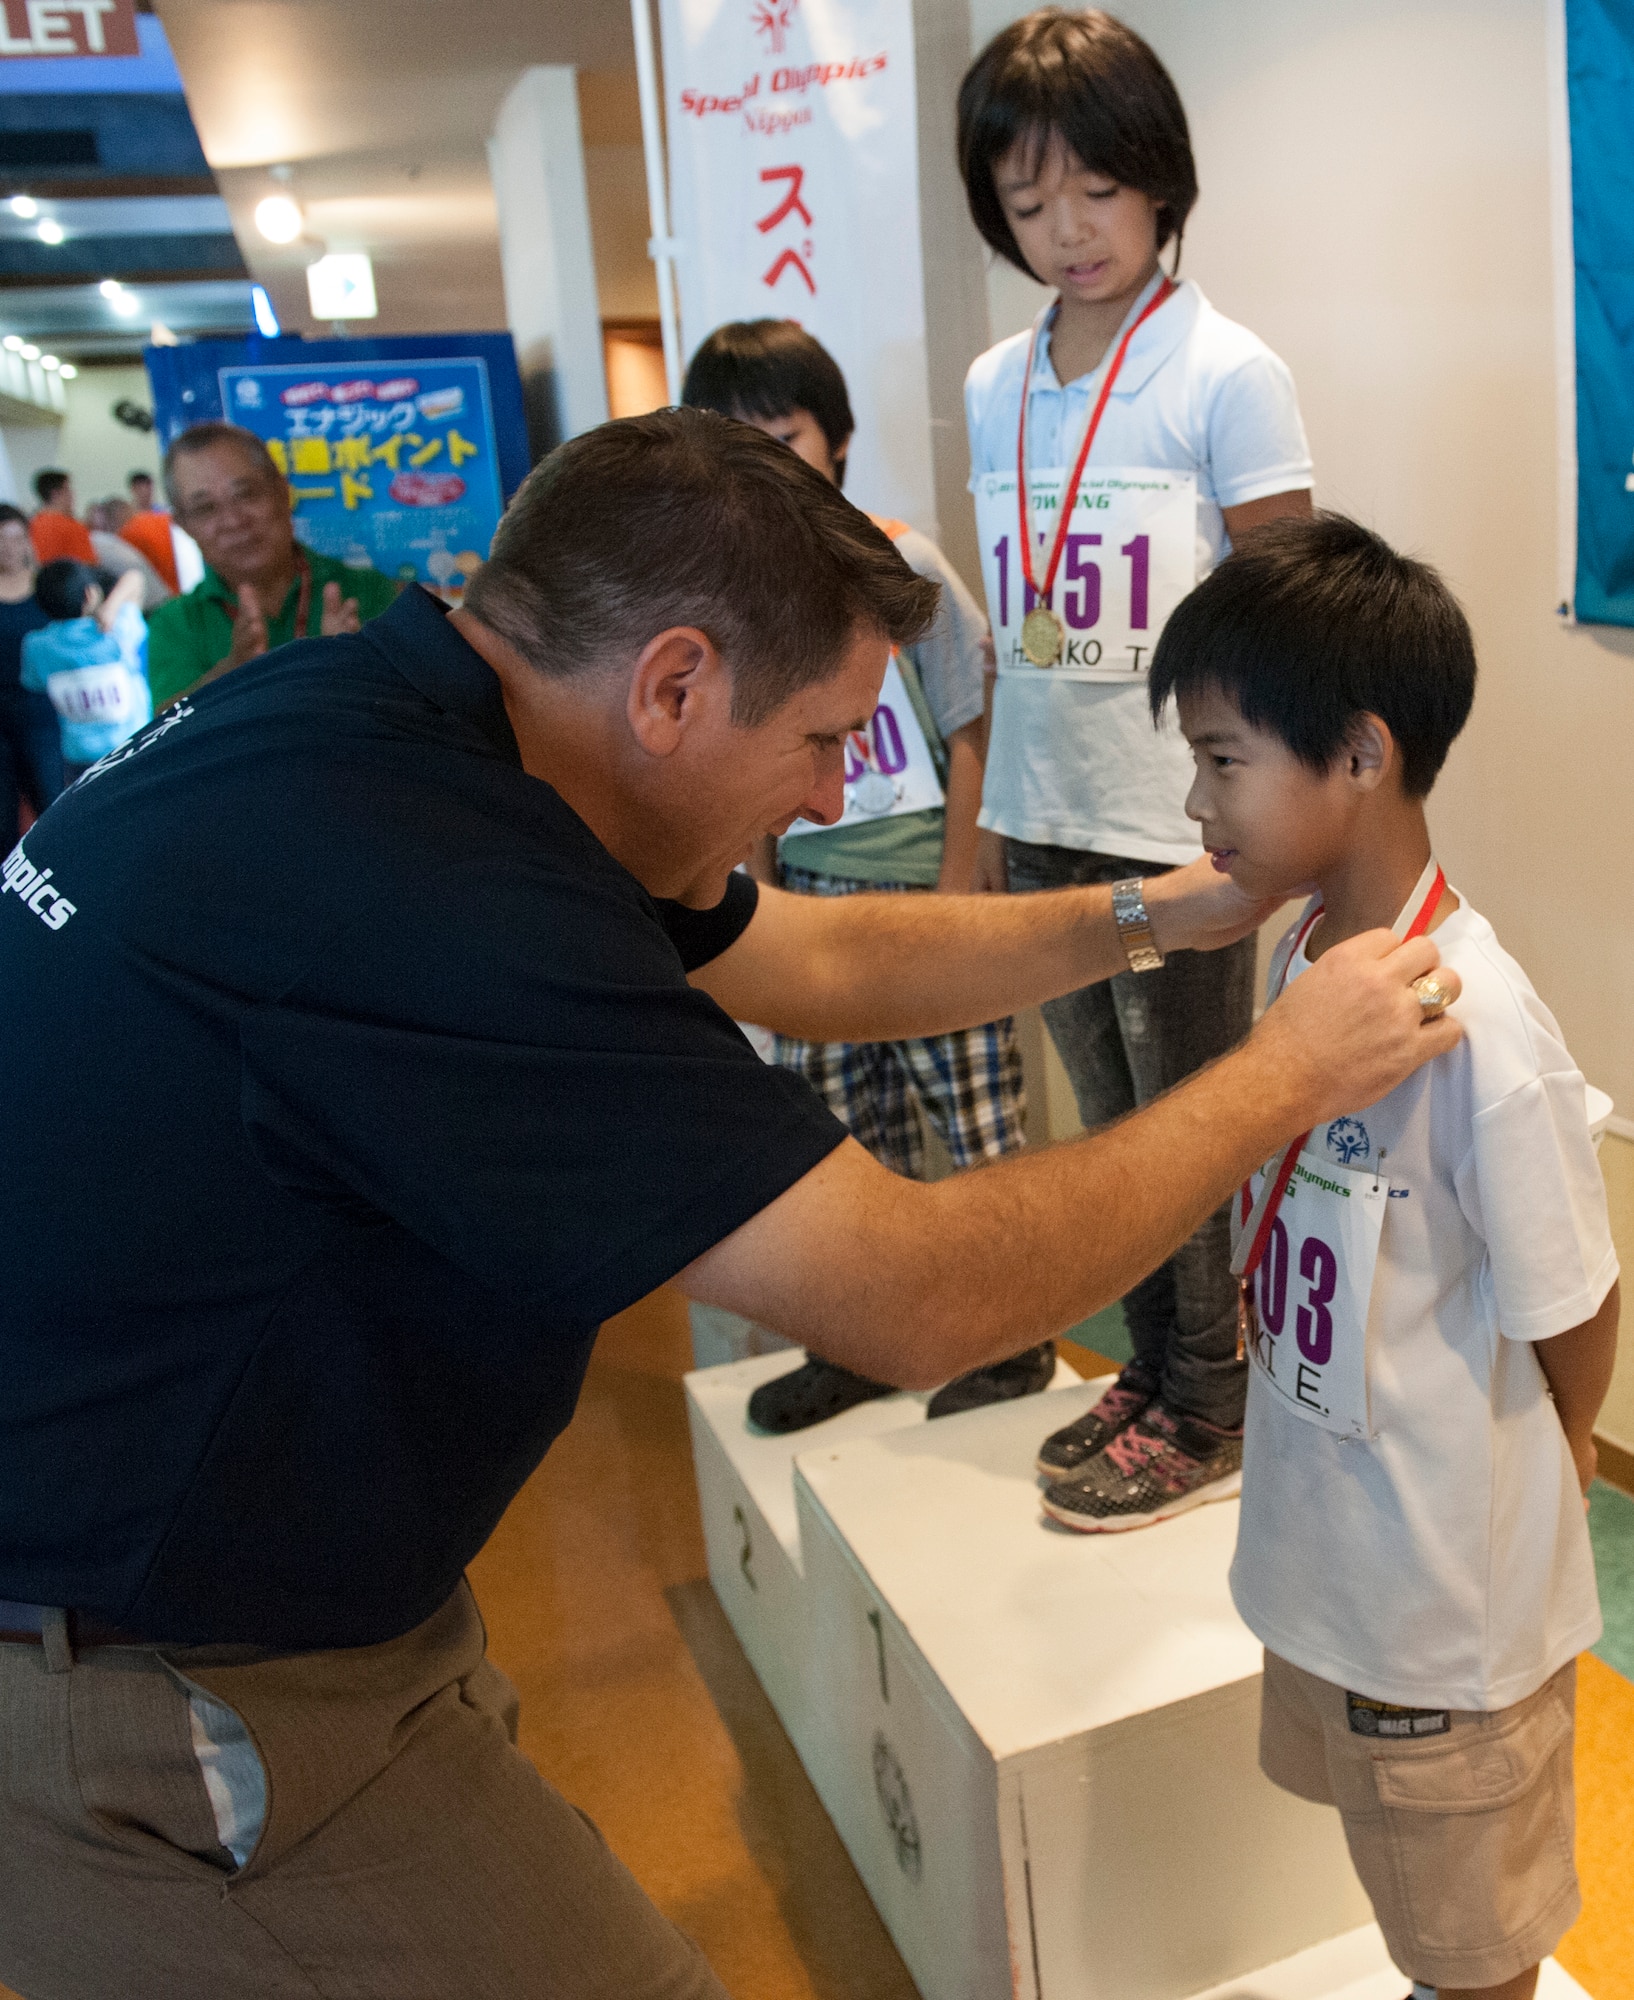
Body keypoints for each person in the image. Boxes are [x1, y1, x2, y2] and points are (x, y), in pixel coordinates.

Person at [0, 411, 1459, 2000]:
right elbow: (917, 1294)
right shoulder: (438, 887)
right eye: (827, 737)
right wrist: (1282, 1074)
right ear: (674, 684)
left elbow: (808, 957)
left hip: (268, 1597)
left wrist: (1150, 915)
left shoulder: (397, 716)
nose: (837, 795)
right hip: (146, 1684)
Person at [1061, 513, 1613, 2000]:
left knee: (1476, 1953)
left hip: (1445, 1625)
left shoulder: (1480, 1027)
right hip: (1336, 1574)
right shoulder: (1308, 961)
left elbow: (1574, 1308)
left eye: (1223, 759)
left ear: (1359, 755)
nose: (1193, 801)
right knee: (1408, 1913)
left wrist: (1536, 1493)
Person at [958, 7, 1317, 1525]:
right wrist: (981, 823)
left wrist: (1262, 841)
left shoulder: (1227, 371)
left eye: (1092, 193)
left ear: (1157, 181)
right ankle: (1158, 1372)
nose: (1064, 232)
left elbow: (1286, 620)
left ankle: (1213, 1402)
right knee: (1108, 1140)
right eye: (1027, 204)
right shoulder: (993, 382)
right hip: (1041, 813)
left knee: (1184, 1139)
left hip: (1168, 833)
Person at [682, 320, 1050, 1427]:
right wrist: (749, 900)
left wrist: (955, 890)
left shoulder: (904, 559)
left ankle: (1019, 1333)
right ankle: (860, 1343)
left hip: (918, 900)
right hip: (802, 912)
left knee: (978, 1124)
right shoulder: (717, 595)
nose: (763, 455)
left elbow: (968, 716)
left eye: (782, 431)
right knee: (839, 1143)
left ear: (833, 437)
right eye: (733, 435)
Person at [144, 421, 399, 709]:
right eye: (205, 508)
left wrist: (348, 671)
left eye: (246, 494)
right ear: (184, 525)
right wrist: (234, 671)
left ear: (282, 492)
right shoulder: (175, 623)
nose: (233, 521)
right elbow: (162, 736)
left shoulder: (367, 589)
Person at [20, 559, 152, 781]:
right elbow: (136, 578)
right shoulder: (116, 629)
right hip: (135, 748)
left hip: (79, 761)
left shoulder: (36, 645)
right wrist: (111, 606)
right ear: (90, 594)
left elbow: (33, 682)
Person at [0, 502, 63, 840]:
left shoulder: (47, 586)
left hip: (42, 713)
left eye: (16, 538)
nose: (9, 548)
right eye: (1, 540)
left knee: (52, 804)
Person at [87, 496, 173, 610]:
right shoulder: (156, 519)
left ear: (111, 520)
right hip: (171, 594)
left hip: (153, 603)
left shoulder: (127, 536)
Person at [117, 473, 182, 595]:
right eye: (141, 488)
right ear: (133, 489)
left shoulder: (164, 514)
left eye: (148, 487)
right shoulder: (128, 518)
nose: (146, 492)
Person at [27, 468, 97, 566]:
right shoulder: (71, 527)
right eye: (68, 489)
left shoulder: (30, 525)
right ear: (55, 494)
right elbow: (89, 566)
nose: (72, 495)